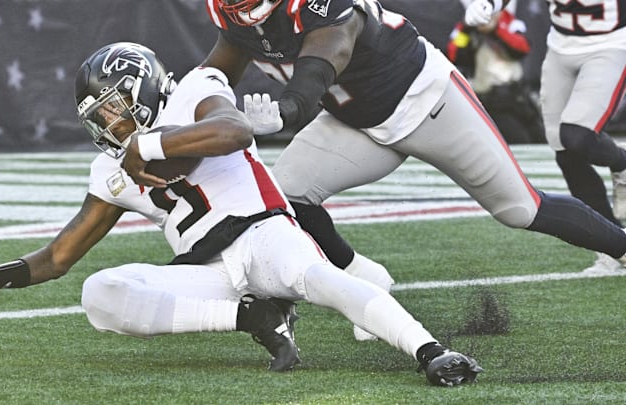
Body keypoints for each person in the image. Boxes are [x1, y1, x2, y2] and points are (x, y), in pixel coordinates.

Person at [0, 42, 482, 386]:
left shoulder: (194, 93)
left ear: (143, 87)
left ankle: (430, 350)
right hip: (208, 272)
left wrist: (150, 148)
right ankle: (254, 316)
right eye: (99, 114)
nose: (108, 122)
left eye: (112, 105)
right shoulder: (107, 170)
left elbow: (235, 132)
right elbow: (60, 257)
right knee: (100, 295)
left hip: (261, 233)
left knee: (321, 279)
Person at [196, 0, 626, 293]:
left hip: (426, 101)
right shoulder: (233, 19)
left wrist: (286, 113)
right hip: (357, 123)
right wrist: (165, 121)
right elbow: (210, 77)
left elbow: (317, 71)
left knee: (521, 209)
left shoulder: (324, 8)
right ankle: (365, 280)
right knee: (284, 196)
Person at [464, 0, 626, 272]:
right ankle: (614, 246)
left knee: (578, 135)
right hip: (560, 48)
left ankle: (621, 163)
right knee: (565, 152)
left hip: (610, 44)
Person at [447, 0, 545, 144]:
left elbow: (522, 48)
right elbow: (453, 54)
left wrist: (496, 30)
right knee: (519, 140)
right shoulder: (466, 27)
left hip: (515, 96)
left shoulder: (510, 22)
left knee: (540, 138)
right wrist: (467, 30)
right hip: (488, 99)